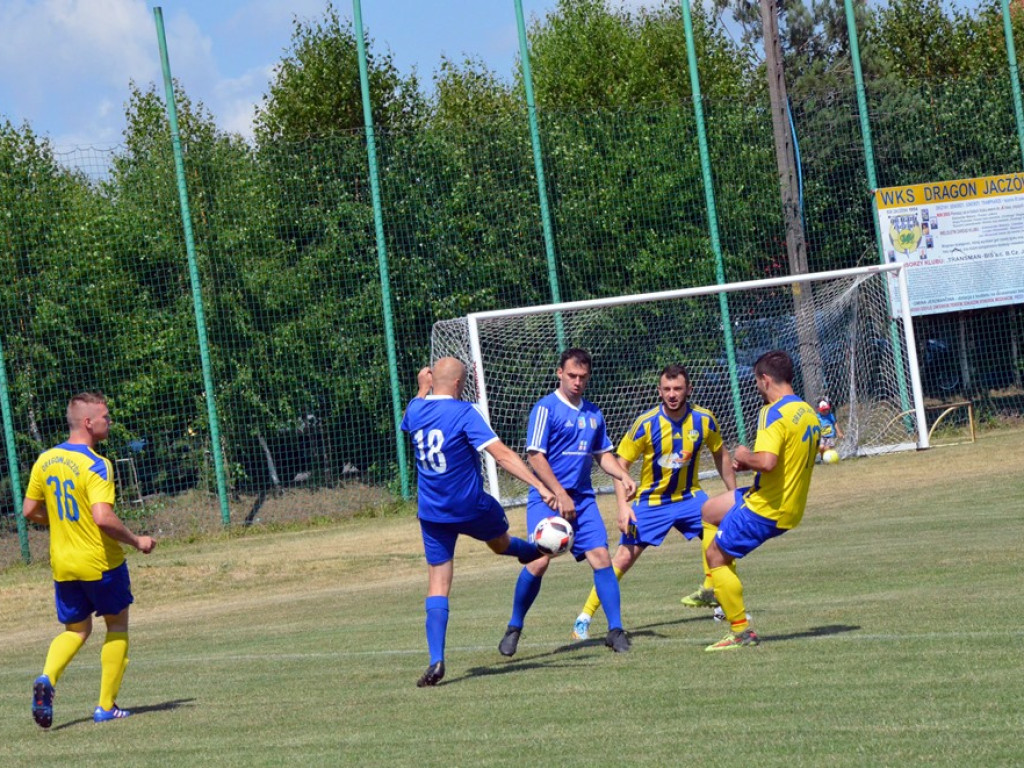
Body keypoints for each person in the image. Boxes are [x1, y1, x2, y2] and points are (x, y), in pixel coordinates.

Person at [401, 358, 561, 687]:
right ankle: (534, 551)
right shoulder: (464, 413)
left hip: (432, 513)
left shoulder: (415, 410)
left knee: (438, 585)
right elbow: (501, 455)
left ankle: (436, 659)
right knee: (500, 544)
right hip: (471, 507)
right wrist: (541, 486)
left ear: (432, 381)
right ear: (459, 384)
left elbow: (412, 411)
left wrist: (421, 388)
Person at [570, 364, 736, 641]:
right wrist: (623, 507)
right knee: (623, 558)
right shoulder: (646, 424)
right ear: (659, 391)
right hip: (651, 502)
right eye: (667, 389)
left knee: (725, 535)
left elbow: (722, 455)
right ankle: (584, 618)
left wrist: (734, 495)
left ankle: (722, 603)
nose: (672, 394)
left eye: (678, 389)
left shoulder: (704, 420)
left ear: (689, 389)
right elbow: (619, 464)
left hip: (690, 497)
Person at [23, 392, 156, 728]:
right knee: (117, 626)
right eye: (105, 417)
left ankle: (47, 678)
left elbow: (29, 510)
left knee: (77, 630)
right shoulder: (97, 464)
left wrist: (60, 522)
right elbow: (102, 517)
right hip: (100, 562)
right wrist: (136, 540)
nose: (109, 421)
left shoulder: (45, 459)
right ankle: (106, 707)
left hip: (63, 564)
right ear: (87, 422)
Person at [498, 348, 637, 656]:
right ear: (559, 373)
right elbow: (535, 455)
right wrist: (559, 492)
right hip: (547, 498)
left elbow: (603, 455)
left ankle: (615, 630)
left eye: (583, 377)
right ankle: (514, 627)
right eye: (572, 375)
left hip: (582, 500)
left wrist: (623, 474)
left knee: (601, 557)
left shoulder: (593, 414)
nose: (577, 382)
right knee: (539, 561)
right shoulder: (545, 409)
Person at [700, 351, 820, 651]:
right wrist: (750, 465)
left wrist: (744, 456)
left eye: (756, 381)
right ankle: (713, 587)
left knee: (716, 556)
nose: (756, 387)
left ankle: (740, 631)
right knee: (710, 511)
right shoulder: (806, 410)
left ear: (765, 379)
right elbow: (786, 460)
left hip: (767, 507)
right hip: (786, 503)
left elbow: (767, 462)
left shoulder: (772, 412)